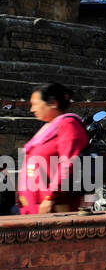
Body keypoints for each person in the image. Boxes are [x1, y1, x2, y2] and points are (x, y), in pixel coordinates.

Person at [20, 83, 89, 215]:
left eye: (35, 104)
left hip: (55, 208)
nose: (32, 110)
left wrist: (50, 197)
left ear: (53, 103)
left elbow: (68, 162)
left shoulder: (69, 124)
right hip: (33, 208)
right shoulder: (48, 129)